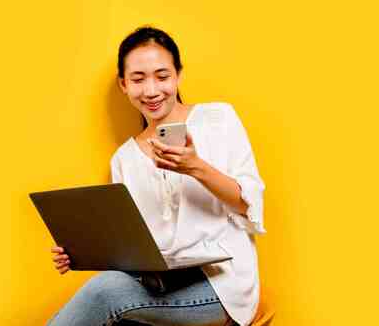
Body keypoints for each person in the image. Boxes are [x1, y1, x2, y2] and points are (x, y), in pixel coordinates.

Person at [47, 26, 266, 326]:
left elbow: (247, 204)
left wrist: (196, 167)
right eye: (138, 79)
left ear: (178, 75)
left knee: (103, 294)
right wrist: (81, 253)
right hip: (160, 284)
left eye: (162, 76)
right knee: (109, 294)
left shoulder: (219, 118)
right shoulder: (124, 158)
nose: (151, 90)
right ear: (123, 84)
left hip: (221, 287)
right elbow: (131, 248)